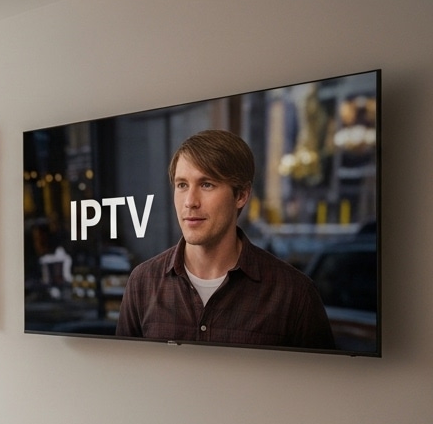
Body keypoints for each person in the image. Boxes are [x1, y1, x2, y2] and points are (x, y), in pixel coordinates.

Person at [117, 130, 336, 349]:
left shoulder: (294, 294)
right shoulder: (143, 282)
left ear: (241, 195)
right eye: (182, 185)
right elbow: (123, 369)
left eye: (206, 184)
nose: (190, 202)